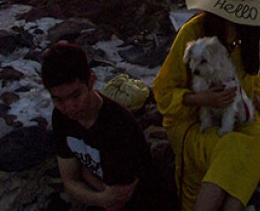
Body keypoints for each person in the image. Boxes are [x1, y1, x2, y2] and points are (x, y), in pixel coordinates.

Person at [152, 0, 260, 211]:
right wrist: (202, 99)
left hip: (232, 119)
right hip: (192, 122)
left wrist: (257, 103)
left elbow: (245, 83)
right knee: (232, 145)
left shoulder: (245, 35)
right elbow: (163, 91)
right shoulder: (193, 34)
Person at [42, 41, 174, 211]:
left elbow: (116, 199)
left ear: (90, 82)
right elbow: (70, 181)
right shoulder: (61, 117)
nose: (69, 107)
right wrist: (98, 195)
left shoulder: (118, 125)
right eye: (58, 100)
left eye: (76, 95)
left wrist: (84, 173)